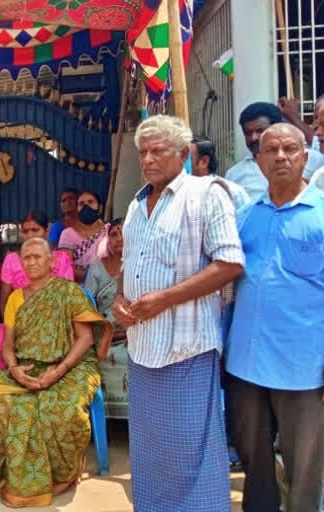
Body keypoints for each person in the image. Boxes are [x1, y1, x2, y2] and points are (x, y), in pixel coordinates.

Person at [112, 115, 245, 512]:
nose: (147, 160)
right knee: (151, 452)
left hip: (185, 348)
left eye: (157, 151)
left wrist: (166, 299)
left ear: (184, 154)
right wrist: (120, 301)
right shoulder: (136, 205)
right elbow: (128, 266)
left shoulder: (206, 195)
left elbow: (229, 263)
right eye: (142, 152)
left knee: (190, 452)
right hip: (142, 349)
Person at [224, 124, 324, 512]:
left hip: (304, 368)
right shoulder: (246, 216)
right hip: (246, 365)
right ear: (259, 160)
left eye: (290, 149)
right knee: (256, 468)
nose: (281, 156)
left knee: (306, 470)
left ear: (305, 157)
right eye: (271, 150)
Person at [0, 238, 112, 507]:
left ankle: (62, 473)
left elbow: (85, 340)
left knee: (59, 406)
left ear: (52, 262)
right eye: (26, 257)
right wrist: (14, 370)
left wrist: (56, 372)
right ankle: (13, 472)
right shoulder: (16, 297)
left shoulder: (68, 292)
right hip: (28, 364)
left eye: (38, 256)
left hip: (72, 364)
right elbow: (7, 345)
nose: (32, 262)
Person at [0, 209, 74, 375]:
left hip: (54, 324)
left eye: (35, 230)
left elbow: (68, 300)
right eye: (26, 231)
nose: (30, 235)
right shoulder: (12, 260)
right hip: (16, 324)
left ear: (46, 232)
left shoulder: (60, 260)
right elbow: (4, 304)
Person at [225, 102, 323, 201]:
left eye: (260, 131)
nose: (254, 137)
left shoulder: (314, 160)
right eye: (248, 133)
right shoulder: (234, 174)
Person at [84, 218, 128, 418]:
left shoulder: (139, 265)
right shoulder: (96, 267)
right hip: (104, 330)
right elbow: (88, 304)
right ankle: (102, 413)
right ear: (107, 240)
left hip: (133, 329)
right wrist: (105, 329)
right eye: (114, 234)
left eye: (123, 232)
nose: (119, 238)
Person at [57, 190, 109, 282]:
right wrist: (94, 276)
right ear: (77, 209)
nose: (86, 207)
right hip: (79, 289)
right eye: (81, 204)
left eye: (90, 202)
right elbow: (64, 268)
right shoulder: (68, 234)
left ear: (100, 208)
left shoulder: (109, 231)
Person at [190, 136, 251, 210]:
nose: (180, 162)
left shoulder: (233, 192)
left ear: (204, 162)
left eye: (186, 158)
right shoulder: (178, 192)